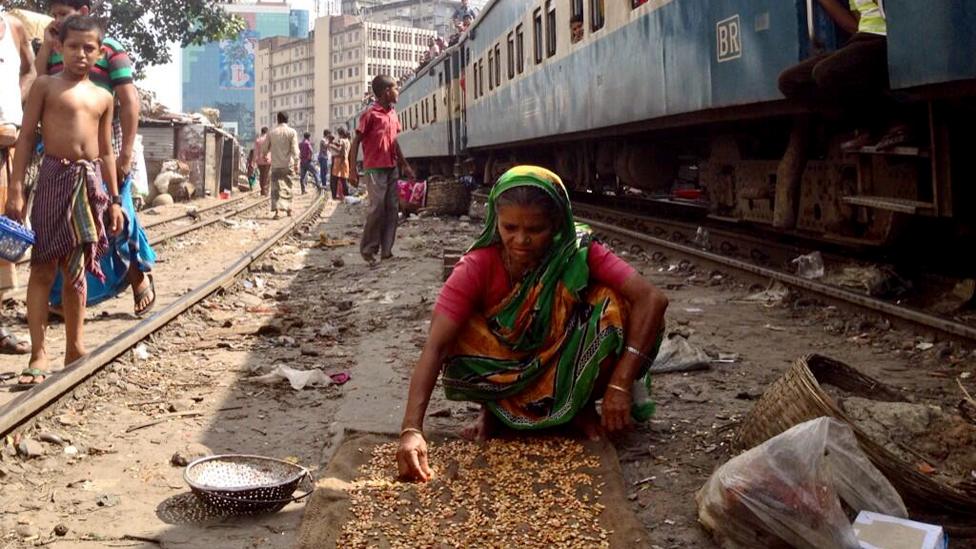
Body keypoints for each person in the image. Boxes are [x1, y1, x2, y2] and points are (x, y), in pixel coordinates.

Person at [396, 167, 669, 481]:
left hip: (562, 361)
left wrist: (620, 385)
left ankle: (576, 408)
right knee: (456, 326)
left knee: (613, 305)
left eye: (535, 229)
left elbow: (652, 299)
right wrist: (411, 429)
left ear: (555, 224)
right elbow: (435, 346)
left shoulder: (576, 251)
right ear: (494, 222)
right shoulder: (477, 266)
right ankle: (497, 412)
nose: (521, 240)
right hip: (504, 372)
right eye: (509, 227)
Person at [5, 15, 124, 387]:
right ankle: (39, 352)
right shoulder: (45, 86)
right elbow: (25, 138)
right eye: (74, 46)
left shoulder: (104, 97)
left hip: (87, 185)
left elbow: (106, 152)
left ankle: (75, 346)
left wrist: (116, 199)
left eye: (90, 48)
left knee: (76, 270)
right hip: (54, 178)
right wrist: (16, 189)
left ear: (100, 52)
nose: (81, 54)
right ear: (60, 47)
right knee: (42, 267)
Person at [38, 0, 155, 317]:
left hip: (104, 147)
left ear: (85, 13)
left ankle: (136, 276)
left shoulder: (109, 49)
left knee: (114, 218)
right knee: (63, 226)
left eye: (64, 14)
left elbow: (129, 101)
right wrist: (47, 48)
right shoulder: (53, 47)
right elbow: (37, 90)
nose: (57, 19)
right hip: (60, 154)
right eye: (55, 15)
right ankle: (63, 298)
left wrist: (126, 153)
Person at [773, 0, 899, 229]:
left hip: (888, 38)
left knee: (826, 73)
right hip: (864, 37)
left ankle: (891, 119)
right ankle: (864, 123)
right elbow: (857, 19)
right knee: (789, 81)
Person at [349, 75, 414, 266]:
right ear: (386, 92)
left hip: (391, 167)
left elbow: (394, 143)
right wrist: (352, 169)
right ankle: (368, 249)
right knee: (377, 208)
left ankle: (387, 250)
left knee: (393, 208)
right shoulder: (370, 114)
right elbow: (356, 142)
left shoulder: (393, 114)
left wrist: (405, 165)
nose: (398, 91)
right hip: (374, 169)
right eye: (395, 88)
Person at [0, 6, 35, 356]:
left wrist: (15, 102)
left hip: (4, 147)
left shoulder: (13, 28)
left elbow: (30, 69)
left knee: (1, 242)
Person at [259, 112, 299, 218]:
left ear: (277, 120)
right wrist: (296, 162)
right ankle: (288, 209)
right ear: (287, 120)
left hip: (276, 165)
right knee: (288, 186)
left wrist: (264, 155)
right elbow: (295, 149)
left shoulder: (272, 132)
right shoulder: (292, 132)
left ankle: (276, 211)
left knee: (275, 188)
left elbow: (264, 148)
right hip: (288, 165)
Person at [329, 128, 351, 201]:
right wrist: (335, 144)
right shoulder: (348, 141)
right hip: (345, 161)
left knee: (334, 179)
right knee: (344, 179)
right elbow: (343, 148)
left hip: (339, 160)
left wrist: (331, 146)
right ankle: (347, 195)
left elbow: (340, 150)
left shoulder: (341, 140)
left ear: (340, 134)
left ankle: (334, 196)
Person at [254, 127, 271, 196]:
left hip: (260, 161)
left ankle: (262, 190)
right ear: (267, 132)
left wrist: (255, 160)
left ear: (261, 132)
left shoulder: (258, 140)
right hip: (267, 160)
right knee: (267, 175)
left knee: (261, 175)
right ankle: (265, 191)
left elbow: (256, 151)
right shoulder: (269, 140)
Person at [318, 129, 332, 194]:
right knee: (323, 171)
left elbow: (328, 148)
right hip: (322, 157)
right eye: (329, 134)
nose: (330, 135)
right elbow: (326, 146)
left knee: (325, 171)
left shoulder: (326, 140)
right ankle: (324, 184)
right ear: (327, 134)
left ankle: (324, 183)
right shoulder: (323, 140)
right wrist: (330, 141)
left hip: (325, 157)